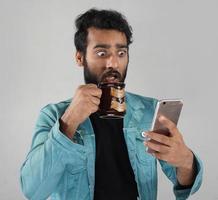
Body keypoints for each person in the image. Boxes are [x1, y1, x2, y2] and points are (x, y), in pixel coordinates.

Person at [20, 9, 203, 200]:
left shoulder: (151, 111)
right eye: (101, 52)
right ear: (80, 58)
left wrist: (186, 161)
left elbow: (184, 182)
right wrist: (68, 122)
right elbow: (33, 191)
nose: (113, 63)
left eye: (121, 52)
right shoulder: (53, 116)